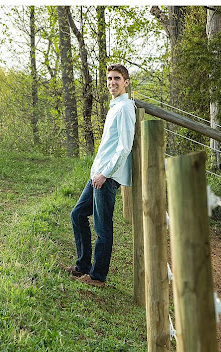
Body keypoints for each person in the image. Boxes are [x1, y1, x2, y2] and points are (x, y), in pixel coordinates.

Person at [66, 64, 136, 287]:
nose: (112, 82)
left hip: (107, 177)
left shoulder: (125, 108)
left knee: (102, 227)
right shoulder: (115, 106)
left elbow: (125, 147)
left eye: (117, 78)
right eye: (109, 78)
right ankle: (83, 266)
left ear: (126, 82)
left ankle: (98, 277)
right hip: (98, 174)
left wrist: (105, 174)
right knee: (78, 215)